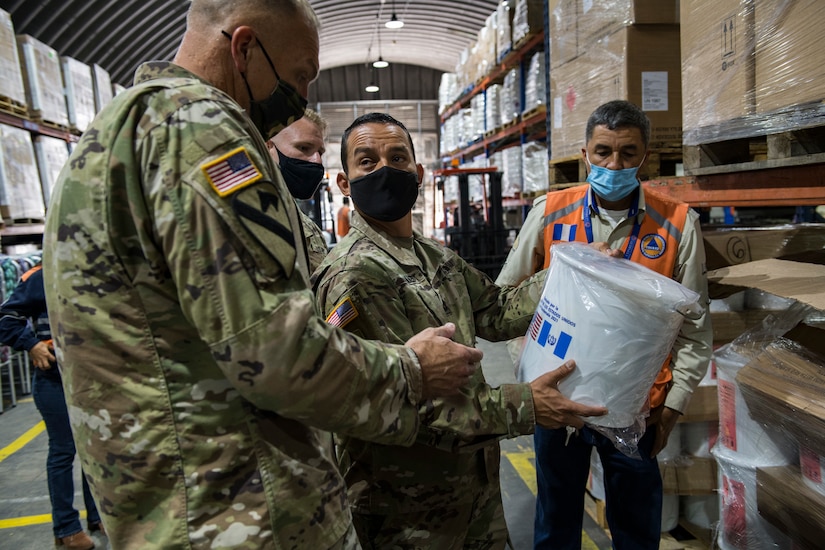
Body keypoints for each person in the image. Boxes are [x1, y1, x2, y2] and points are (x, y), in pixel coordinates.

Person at [41, 1, 483, 548]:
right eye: (299, 76)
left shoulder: (115, 132)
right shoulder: (201, 129)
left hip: (170, 509)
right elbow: (278, 352)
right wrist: (412, 371)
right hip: (242, 515)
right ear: (244, 48)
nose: (300, 97)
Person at [312, 112, 610, 549]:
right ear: (344, 182)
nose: (384, 171)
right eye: (367, 161)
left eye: (397, 158)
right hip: (408, 512)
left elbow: (498, 310)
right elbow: (405, 404)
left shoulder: (434, 257)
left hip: (473, 492)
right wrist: (527, 405)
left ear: (418, 173)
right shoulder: (355, 274)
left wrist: (570, 268)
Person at [495, 100, 713, 549]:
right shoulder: (550, 214)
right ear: (585, 153)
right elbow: (505, 301)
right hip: (559, 402)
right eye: (603, 152)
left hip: (639, 409)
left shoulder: (676, 224)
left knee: (636, 527)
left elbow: (695, 328)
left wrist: (672, 407)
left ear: (645, 156)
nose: (615, 164)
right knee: (556, 521)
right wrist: (529, 371)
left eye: (628, 153)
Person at [0, 265, 104, 550]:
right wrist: (31, 344)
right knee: (64, 450)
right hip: (54, 381)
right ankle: (66, 528)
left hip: (94, 380)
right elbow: (5, 319)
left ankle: (97, 515)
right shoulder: (40, 276)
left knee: (92, 449)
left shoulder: (94, 267)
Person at [268, 107, 329, 270]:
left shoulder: (311, 230)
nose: (316, 160)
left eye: (320, 153)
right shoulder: (248, 216)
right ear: (269, 146)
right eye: (304, 148)